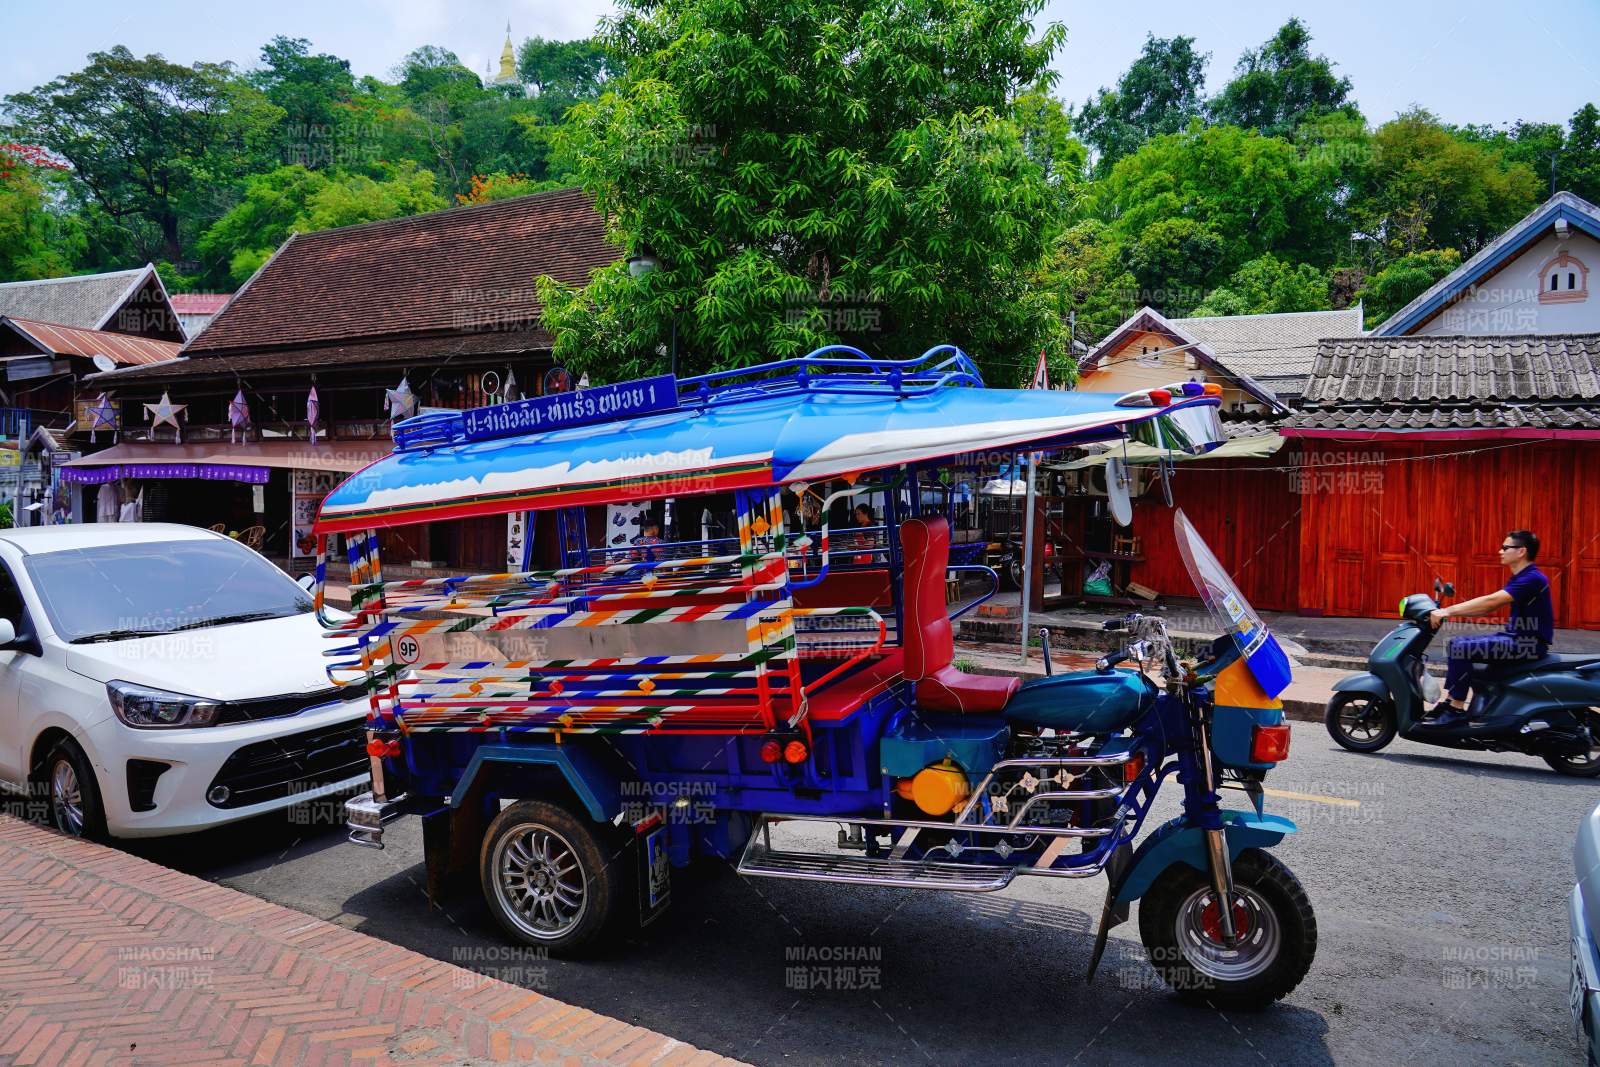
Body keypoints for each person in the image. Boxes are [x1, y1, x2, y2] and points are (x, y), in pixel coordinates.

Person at [1429, 529, 1553, 721]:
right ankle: (1450, 703)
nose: (1500, 551)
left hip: (1526, 644)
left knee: (1459, 647)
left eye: (1505, 547)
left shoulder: (1532, 579)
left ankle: (1455, 708)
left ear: (1521, 551)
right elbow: (1485, 609)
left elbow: (1491, 602)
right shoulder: (1523, 577)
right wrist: (1452, 611)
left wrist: (1448, 611)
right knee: (1457, 643)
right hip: (1515, 638)